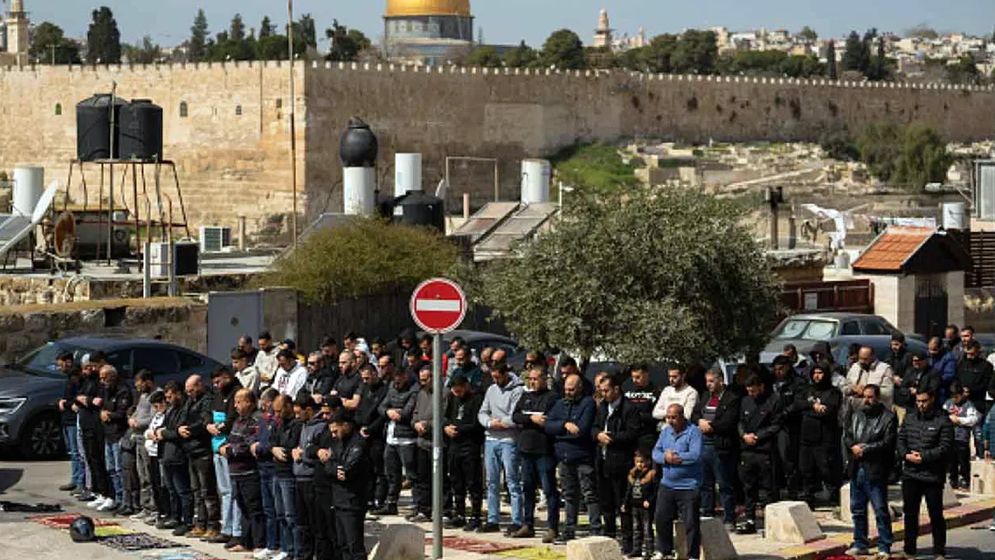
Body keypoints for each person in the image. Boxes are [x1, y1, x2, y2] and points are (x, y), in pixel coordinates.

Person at [898, 389, 953, 560]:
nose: (921, 404)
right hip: (911, 474)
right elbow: (901, 440)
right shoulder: (910, 418)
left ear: (932, 399)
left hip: (932, 475)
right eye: (918, 401)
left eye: (924, 401)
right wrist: (906, 455)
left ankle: (939, 551)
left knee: (935, 514)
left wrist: (923, 457)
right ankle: (910, 549)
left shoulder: (943, 420)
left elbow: (945, 447)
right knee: (910, 514)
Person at [843, 384, 897, 559]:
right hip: (856, 467)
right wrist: (853, 446)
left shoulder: (888, 417)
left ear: (878, 398)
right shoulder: (856, 415)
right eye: (864, 397)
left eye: (870, 397)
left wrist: (865, 449)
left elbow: (887, 443)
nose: (867, 400)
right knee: (857, 509)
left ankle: (884, 546)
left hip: (875, 469)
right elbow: (848, 435)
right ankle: (860, 543)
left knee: (880, 509)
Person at [545, 373, 600, 542]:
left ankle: (595, 529)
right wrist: (564, 425)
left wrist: (560, 430)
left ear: (580, 388)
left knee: (589, 494)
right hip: (564, 456)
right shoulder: (559, 404)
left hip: (582, 455)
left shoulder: (588, 403)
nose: (568, 392)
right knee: (569, 495)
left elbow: (582, 430)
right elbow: (548, 426)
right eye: (566, 389)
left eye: (572, 389)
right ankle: (569, 530)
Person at [593, 373, 641, 554]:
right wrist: (597, 435)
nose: (603, 394)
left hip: (621, 463)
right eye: (601, 390)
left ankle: (628, 542)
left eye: (606, 390)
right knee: (606, 504)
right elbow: (593, 427)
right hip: (603, 462)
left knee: (623, 504)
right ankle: (609, 537)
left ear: (616, 389)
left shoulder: (629, 408)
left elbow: (632, 433)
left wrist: (611, 437)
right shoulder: (602, 407)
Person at [510, 365, 559, 541]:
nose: (532, 382)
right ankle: (527, 524)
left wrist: (532, 418)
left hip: (544, 450)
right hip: (526, 448)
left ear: (544, 379)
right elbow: (516, 416)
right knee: (528, 488)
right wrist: (531, 418)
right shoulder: (525, 396)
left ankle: (553, 527)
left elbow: (548, 419)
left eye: (536, 378)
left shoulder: (552, 397)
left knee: (549, 490)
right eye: (530, 379)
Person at [477, 361, 526, 534]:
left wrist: (502, 423)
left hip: (508, 439)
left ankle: (517, 519)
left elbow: (515, 415)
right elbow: (482, 412)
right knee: (492, 481)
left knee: (512, 480)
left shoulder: (518, 390)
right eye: (493, 377)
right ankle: (492, 519)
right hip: (491, 439)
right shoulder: (491, 390)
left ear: (505, 374)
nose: (496, 380)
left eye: (498, 377)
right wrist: (489, 422)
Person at [691, 368, 740, 529]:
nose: (709, 385)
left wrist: (710, 426)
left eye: (712, 381)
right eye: (707, 381)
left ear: (720, 380)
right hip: (703, 445)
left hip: (721, 446)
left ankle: (729, 518)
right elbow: (695, 414)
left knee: (725, 483)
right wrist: (699, 422)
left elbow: (729, 422)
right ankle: (707, 514)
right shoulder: (705, 396)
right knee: (705, 483)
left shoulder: (731, 398)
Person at [220, 388, 268, 555]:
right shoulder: (238, 420)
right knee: (243, 508)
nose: (236, 405)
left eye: (239, 402)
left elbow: (248, 444)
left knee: (254, 509)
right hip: (235, 472)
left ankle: (258, 544)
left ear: (249, 402)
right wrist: (224, 447)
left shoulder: (256, 420)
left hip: (249, 472)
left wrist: (230, 450)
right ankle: (245, 542)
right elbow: (231, 440)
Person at [652, 404, 703, 560]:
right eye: (668, 417)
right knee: (661, 519)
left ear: (682, 416)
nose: (670, 420)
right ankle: (664, 550)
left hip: (688, 486)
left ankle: (693, 555)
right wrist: (665, 458)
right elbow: (656, 452)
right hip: (667, 484)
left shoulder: (694, 432)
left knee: (691, 523)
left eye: (673, 417)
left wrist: (676, 458)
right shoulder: (665, 431)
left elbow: (695, 455)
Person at [736, 374, 782, 534]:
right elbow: (740, 421)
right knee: (749, 487)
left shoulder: (773, 401)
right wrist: (744, 435)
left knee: (768, 487)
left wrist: (758, 437)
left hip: (764, 449)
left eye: (754, 391)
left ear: (761, 387)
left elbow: (776, 425)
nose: (751, 394)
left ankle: (771, 521)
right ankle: (750, 519)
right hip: (748, 450)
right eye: (749, 391)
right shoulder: (745, 401)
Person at [179, 375, 221, 539]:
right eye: (187, 391)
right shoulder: (190, 401)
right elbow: (182, 416)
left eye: (191, 390)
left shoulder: (207, 399)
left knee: (207, 491)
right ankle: (200, 523)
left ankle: (213, 525)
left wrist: (188, 429)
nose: (189, 393)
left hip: (202, 449)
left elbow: (205, 422)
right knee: (196, 491)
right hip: (191, 449)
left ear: (199, 385)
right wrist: (180, 428)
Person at [374, 364, 419, 515]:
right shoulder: (392, 388)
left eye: (399, 381)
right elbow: (381, 407)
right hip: (391, 437)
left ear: (405, 377)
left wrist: (396, 412)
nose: (396, 383)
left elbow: (406, 413)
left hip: (407, 438)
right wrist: (389, 411)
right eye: (395, 381)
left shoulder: (414, 390)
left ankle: (417, 505)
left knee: (412, 474)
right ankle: (391, 503)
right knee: (391, 474)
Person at [796, 362, 842, 508]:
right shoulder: (807, 390)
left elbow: (828, 411)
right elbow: (798, 404)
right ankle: (809, 497)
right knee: (806, 468)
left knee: (826, 468)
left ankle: (834, 496)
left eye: (820, 372)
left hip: (825, 437)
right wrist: (812, 406)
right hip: (806, 436)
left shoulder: (833, 392)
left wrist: (809, 410)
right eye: (815, 372)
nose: (817, 376)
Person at [327, 410, 371, 560]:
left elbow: (350, 468)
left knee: (354, 546)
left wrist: (337, 468)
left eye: (335, 431)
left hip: (353, 501)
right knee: (343, 544)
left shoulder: (358, 442)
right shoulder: (337, 442)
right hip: (338, 499)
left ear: (345, 425)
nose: (333, 435)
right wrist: (334, 469)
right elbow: (328, 464)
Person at [444, 373, 485, 531]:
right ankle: (459, 513)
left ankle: (475, 515)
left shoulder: (476, 399)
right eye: (455, 391)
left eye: (459, 391)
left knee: (473, 482)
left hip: (470, 445)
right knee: (456, 481)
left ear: (466, 386)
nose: (457, 394)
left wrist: (459, 429)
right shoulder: (453, 399)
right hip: (454, 446)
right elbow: (446, 417)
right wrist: (446, 427)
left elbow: (476, 424)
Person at [207, 367, 242, 545]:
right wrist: (208, 425)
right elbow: (209, 413)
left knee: (233, 492)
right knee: (225, 492)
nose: (216, 385)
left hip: (228, 447)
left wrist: (219, 428)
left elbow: (232, 419)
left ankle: (235, 531)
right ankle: (226, 528)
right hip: (216, 447)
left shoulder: (237, 392)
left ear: (227, 377)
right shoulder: (217, 394)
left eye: (218, 381)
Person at [156, 381, 194, 535]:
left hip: (178, 454)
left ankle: (187, 520)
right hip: (166, 454)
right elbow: (165, 428)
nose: (168, 399)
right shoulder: (171, 410)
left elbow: (179, 431)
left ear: (178, 393)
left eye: (170, 396)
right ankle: (174, 516)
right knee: (171, 490)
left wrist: (165, 433)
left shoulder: (185, 409)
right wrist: (164, 432)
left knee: (182, 490)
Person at [75, 353, 112, 510]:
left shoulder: (100, 382)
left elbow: (97, 401)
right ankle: (98, 492)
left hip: (96, 426)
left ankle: (107, 493)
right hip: (86, 425)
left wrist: (87, 400)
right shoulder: (88, 380)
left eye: (93, 365)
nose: (91, 368)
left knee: (100, 460)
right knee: (91, 459)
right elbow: (79, 397)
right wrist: (85, 400)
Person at [268, 394, 301, 560]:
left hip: (289, 474)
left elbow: (292, 446)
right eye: (275, 411)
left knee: (291, 516)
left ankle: (296, 551)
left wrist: (282, 450)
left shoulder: (297, 425)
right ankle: (286, 549)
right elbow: (271, 442)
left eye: (280, 411)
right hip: (277, 473)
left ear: (289, 406)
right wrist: (274, 449)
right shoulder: (277, 424)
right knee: (280, 514)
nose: (277, 415)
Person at [292, 393, 325, 560]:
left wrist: (302, 454)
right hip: (299, 477)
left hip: (312, 480)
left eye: (299, 413)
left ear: (309, 410)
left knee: (316, 524)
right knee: (302, 523)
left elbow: (321, 455)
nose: (297, 416)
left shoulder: (320, 427)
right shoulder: (303, 425)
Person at [356, 363, 390, 513]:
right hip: (363, 433)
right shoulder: (364, 388)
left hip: (376, 435)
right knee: (366, 469)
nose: (365, 381)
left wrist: (370, 429)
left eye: (367, 377)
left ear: (375, 374)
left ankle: (379, 499)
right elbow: (359, 409)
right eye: (363, 378)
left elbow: (381, 415)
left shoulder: (384, 390)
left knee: (379, 470)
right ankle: (368, 499)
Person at [99, 365, 133, 513]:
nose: (102, 381)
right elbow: (104, 408)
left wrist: (109, 415)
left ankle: (125, 501)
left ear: (112, 376)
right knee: (111, 469)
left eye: (104, 378)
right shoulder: (107, 390)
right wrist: (103, 413)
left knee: (120, 470)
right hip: (108, 434)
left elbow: (122, 413)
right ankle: (116, 497)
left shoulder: (123, 390)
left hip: (118, 434)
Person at [954, 340, 994, 458]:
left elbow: (986, 384)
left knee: (978, 434)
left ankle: (980, 455)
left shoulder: (986, 366)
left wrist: (971, 390)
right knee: (961, 435)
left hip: (978, 403)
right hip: (963, 402)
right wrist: (960, 391)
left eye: (972, 354)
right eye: (967, 354)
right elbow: (957, 379)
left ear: (978, 352)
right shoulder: (962, 363)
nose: (969, 357)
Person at [410, 364, 437, 522]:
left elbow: (443, 416)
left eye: (425, 380)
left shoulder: (443, 394)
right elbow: (414, 414)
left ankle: (443, 510)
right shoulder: (420, 394)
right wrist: (415, 424)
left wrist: (427, 425)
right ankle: (423, 509)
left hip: (436, 443)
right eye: (420, 380)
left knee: (440, 480)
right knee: (422, 479)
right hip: (421, 442)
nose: (422, 383)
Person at [942, 380, 981, 490]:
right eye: (953, 396)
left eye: (957, 396)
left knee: (963, 460)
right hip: (950, 437)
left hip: (962, 437)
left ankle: (965, 478)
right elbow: (943, 415)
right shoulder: (948, 403)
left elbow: (973, 419)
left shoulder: (968, 405)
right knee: (951, 460)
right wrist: (949, 419)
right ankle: (953, 479)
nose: (955, 399)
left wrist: (958, 420)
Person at [129, 371, 157, 521]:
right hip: (138, 439)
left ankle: (154, 508)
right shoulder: (143, 396)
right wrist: (132, 418)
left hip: (148, 441)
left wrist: (138, 423)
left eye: (140, 383)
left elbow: (153, 418)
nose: (137, 386)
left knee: (150, 475)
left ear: (148, 382)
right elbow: (137, 412)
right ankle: (145, 507)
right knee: (142, 476)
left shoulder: (155, 396)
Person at [56, 351, 84, 493]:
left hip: (73, 420)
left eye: (61, 365)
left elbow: (77, 399)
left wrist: (65, 403)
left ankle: (79, 481)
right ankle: (75, 479)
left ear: (68, 362)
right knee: (72, 452)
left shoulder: (76, 378)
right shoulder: (69, 378)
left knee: (77, 452)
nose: (59, 368)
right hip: (67, 419)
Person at [624, 449, 657, 560]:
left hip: (646, 507)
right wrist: (625, 503)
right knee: (636, 528)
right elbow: (629, 491)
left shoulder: (651, 474)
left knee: (647, 528)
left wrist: (650, 500)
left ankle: (649, 550)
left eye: (642, 462)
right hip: (635, 505)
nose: (639, 464)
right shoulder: (632, 475)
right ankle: (636, 549)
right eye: (637, 462)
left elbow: (655, 491)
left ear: (647, 462)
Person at [144, 389, 170, 527]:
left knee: (163, 485)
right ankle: (159, 511)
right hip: (151, 453)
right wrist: (150, 433)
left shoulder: (167, 415)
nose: (156, 409)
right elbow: (148, 431)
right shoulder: (157, 416)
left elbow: (162, 431)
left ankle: (166, 512)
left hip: (161, 453)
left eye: (157, 405)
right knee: (154, 484)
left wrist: (153, 433)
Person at [895, 352, 942, 422]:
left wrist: (917, 391)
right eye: (914, 361)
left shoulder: (933, 373)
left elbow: (933, 388)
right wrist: (909, 391)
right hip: (909, 404)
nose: (915, 363)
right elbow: (902, 387)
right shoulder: (910, 371)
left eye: (918, 361)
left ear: (925, 361)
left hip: (925, 405)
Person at [845, 346, 895, 413]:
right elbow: (844, 386)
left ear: (872, 357)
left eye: (865, 359)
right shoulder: (855, 367)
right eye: (860, 358)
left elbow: (888, 393)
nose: (861, 361)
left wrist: (867, 391)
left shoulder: (885, 369)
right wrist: (853, 389)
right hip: (855, 411)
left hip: (877, 413)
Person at [624, 364, 662, 451]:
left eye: (638, 377)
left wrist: (639, 416)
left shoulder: (656, 392)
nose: (634, 380)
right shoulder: (628, 391)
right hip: (630, 435)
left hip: (647, 436)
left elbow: (657, 416)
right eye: (632, 377)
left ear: (646, 375)